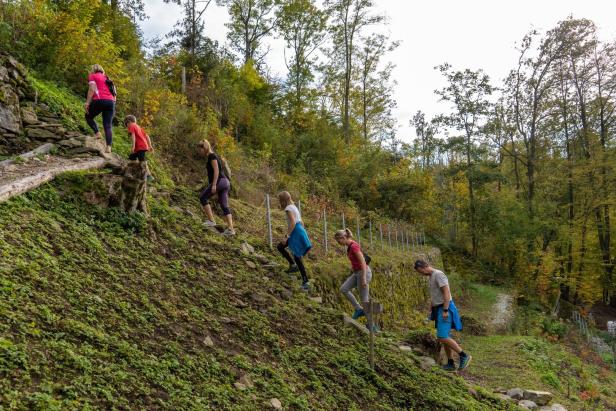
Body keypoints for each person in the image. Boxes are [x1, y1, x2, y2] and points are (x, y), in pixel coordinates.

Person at [414, 259, 471, 371]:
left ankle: (464, 355)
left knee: (442, 336)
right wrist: (432, 306)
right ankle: (450, 362)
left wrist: (445, 310)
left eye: (420, 271)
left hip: (445, 308)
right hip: (438, 308)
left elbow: (446, 292)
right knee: (445, 336)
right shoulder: (431, 277)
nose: (421, 274)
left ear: (424, 266)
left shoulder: (438, 274)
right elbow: (436, 294)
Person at [335, 228, 375, 331]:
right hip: (357, 273)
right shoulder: (349, 246)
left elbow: (363, 263)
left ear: (343, 238)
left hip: (363, 273)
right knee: (344, 289)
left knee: (365, 300)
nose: (338, 243)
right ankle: (358, 309)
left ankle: (372, 327)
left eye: (338, 240)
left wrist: (363, 279)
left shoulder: (354, 246)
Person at [197, 140, 235, 236]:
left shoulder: (212, 156)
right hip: (225, 183)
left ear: (204, 148)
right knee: (224, 205)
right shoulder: (213, 156)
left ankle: (211, 220)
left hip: (220, 181)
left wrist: (214, 185)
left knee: (203, 197)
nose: (199, 152)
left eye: (200, 149)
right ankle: (231, 229)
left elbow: (216, 171)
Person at [276, 191, 311, 290]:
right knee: (285, 249)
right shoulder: (294, 206)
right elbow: (301, 222)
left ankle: (305, 282)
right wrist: (302, 232)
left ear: (283, 200)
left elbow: (292, 222)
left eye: (280, 200)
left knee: (296, 255)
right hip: (300, 230)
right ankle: (293, 266)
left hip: (296, 231)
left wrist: (287, 236)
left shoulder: (288, 208)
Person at [85, 64, 116, 153]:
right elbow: (114, 92)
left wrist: (87, 102)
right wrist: (113, 103)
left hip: (99, 100)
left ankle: (97, 133)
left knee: (88, 116)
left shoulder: (93, 76)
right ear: (102, 70)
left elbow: (91, 89)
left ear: (93, 69)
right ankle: (108, 147)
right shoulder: (107, 78)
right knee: (108, 125)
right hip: (111, 102)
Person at [124, 115, 154, 182]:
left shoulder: (132, 126)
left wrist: (133, 146)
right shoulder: (139, 127)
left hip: (140, 147)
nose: (127, 127)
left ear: (129, 122)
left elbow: (133, 137)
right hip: (142, 146)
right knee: (131, 158)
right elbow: (147, 136)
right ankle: (133, 172)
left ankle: (149, 175)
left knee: (142, 161)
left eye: (126, 125)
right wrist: (150, 145)